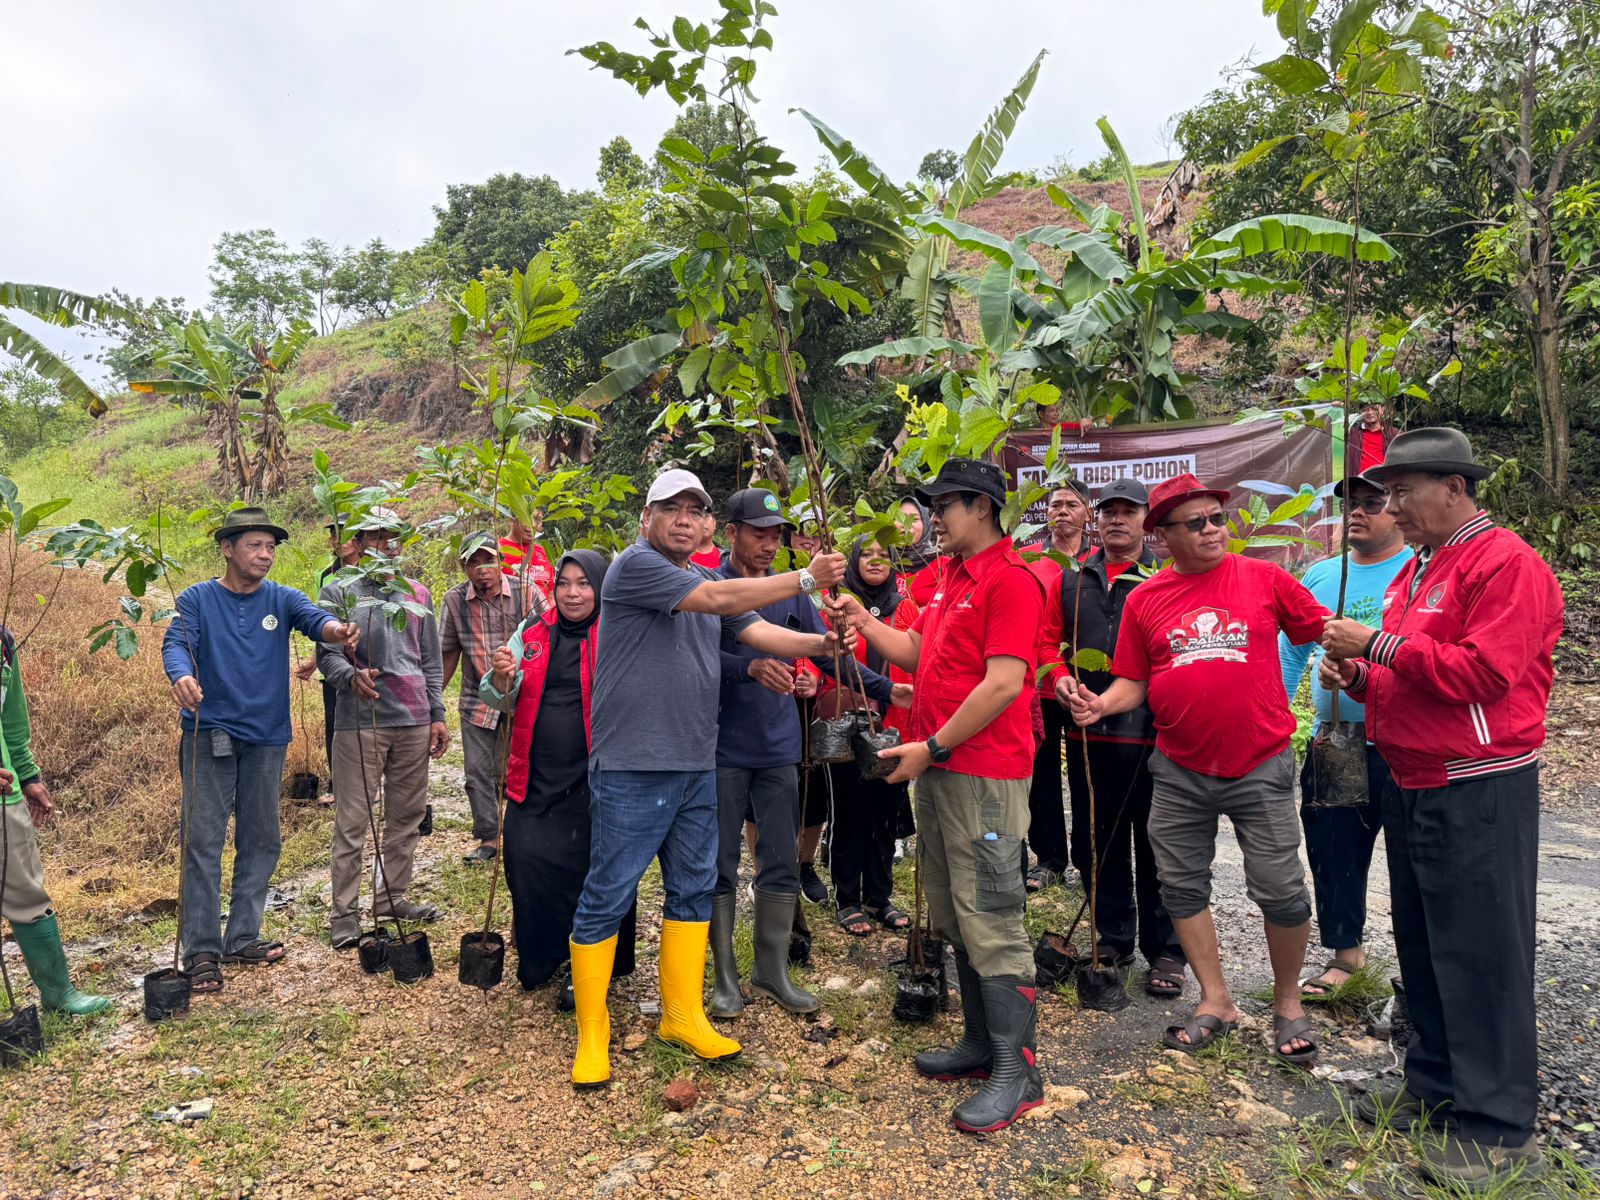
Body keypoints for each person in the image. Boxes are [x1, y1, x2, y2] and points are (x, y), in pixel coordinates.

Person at [1320, 428, 1562, 1188]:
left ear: (1454, 488)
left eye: (1402, 491)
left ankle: (1500, 1127)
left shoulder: (1506, 564)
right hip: (1416, 776)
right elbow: (1414, 674)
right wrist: (1362, 677)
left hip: (1478, 783)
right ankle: (1434, 1085)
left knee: (1482, 952)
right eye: (1387, 493)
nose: (1391, 507)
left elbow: (1485, 674)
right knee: (1426, 942)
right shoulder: (1424, 565)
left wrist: (1376, 647)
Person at [567, 468, 854, 1090]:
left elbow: (757, 631)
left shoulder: (705, 579)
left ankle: (682, 1015)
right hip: (634, 764)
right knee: (609, 891)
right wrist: (806, 578)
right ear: (647, 518)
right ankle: (593, 1031)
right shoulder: (635, 567)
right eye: (671, 508)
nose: (684, 519)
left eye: (695, 510)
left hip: (698, 762)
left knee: (694, 888)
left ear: (705, 525)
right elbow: (723, 602)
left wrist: (823, 646)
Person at [1064, 473, 1328, 1067]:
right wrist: (1101, 704)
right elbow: (1135, 681)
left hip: (1260, 761)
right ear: (1163, 536)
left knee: (1282, 888)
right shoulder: (1146, 599)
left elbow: (1320, 631)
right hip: (1179, 767)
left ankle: (1288, 1003)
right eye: (1197, 522)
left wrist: (1345, 662)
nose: (1212, 529)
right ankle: (1216, 1000)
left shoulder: (1264, 578)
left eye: (1217, 518)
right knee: (1181, 886)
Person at [836, 458, 1046, 1134]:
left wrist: (933, 746)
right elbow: (915, 653)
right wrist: (859, 619)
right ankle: (982, 1046)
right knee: (957, 910)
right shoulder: (953, 578)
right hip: (945, 769)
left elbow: (1004, 683)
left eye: (944, 506)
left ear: (982, 506)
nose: (933, 520)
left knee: (993, 913)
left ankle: (1019, 1072)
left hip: (983, 774)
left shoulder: (1010, 581)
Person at [709, 490, 899, 1017]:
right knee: (718, 862)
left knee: (781, 857)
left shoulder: (794, 595)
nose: (770, 545)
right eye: (758, 534)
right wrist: (746, 668)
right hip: (722, 749)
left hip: (779, 749)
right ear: (731, 533)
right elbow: (695, 658)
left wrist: (887, 690)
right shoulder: (712, 587)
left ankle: (772, 971)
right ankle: (724, 977)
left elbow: (831, 656)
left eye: (776, 536)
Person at [162, 508, 361, 993]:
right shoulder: (197, 598)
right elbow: (176, 644)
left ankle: (242, 936)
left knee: (262, 838)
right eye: (255, 545)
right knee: (202, 841)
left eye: (270, 547)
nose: (265, 554)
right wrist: (181, 675)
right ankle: (201, 950)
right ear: (227, 548)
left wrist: (336, 631)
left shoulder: (282, 598)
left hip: (267, 736)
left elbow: (315, 619)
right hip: (208, 733)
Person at [1047, 479, 1186, 997]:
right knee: (1096, 843)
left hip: (1152, 737)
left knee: (1157, 845)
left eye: (1128, 511)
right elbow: (1047, 642)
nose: (1116, 520)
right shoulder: (1072, 578)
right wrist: (1059, 676)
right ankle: (1112, 937)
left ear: (1146, 520)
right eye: (1108, 511)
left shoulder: (1165, 578)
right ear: (1094, 518)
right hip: (1089, 738)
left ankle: (1166, 949)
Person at [1278, 473, 1411, 1000]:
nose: (1357, 511)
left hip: (1402, 740)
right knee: (1334, 847)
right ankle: (1345, 954)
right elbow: (1291, 651)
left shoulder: (1417, 570)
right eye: (1351, 503)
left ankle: (1417, 964)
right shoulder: (1322, 574)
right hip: (1338, 737)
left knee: (1411, 854)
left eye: (1371, 503)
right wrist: (1278, 715)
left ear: (1397, 509)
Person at [483, 550, 637, 998]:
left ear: (601, 587)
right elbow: (496, 696)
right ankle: (543, 955)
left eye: (584, 584)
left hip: (597, 779)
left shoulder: (618, 632)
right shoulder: (532, 631)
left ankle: (592, 963)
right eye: (564, 583)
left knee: (595, 869)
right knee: (526, 859)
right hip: (536, 774)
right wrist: (502, 677)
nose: (572, 593)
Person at [317, 508, 449, 949]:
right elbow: (326, 655)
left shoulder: (417, 594)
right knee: (353, 821)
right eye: (375, 537)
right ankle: (344, 915)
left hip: (413, 720)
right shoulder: (339, 591)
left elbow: (430, 661)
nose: (387, 545)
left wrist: (437, 714)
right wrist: (350, 676)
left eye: (393, 537)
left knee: (406, 817)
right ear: (358, 543)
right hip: (361, 720)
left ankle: (392, 899)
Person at [1, 625, 110, 1015]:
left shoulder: (3, 642)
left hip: (5, 796)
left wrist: (27, 774)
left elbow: (11, 719)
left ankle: (59, 993)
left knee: (27, 895)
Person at [820, 538, 916, 938]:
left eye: (883, 555)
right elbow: (823, 656)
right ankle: (847, 898)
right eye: (866, 555)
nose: (875, 561)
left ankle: (879, 896)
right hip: (848, 725)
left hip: (896, 725)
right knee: (848, 811)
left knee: (886, 812)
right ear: (853, 561)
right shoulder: (836, 603)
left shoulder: (906, 607)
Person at [440, 532, 547, 866]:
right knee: (476, 771)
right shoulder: (455, 601)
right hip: (478, 700)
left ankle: (522, 832)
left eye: (489, 560)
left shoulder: (526, 591)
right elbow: (448, 651)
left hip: (523, 697)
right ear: (464, 567)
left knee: (517, 767)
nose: (482, 569)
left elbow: (549, 635)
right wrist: (432, 703)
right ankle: (489, 837)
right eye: (473, 562)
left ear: (501, 561)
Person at [1025, 479, 1093, 892]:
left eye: (1071, 504)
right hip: (1039, 683)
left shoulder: (1098, 562)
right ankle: (1049, 857)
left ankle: (1089, 861)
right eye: (1055, 504)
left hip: (1086, 686)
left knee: (1087, 777)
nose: (1062, 511)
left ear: (1088, 513)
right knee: (1042, 773)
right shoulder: (1029, 560)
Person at [294, 521, 362, 805]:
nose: (338, 540)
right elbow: (322, 620)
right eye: (334, 535)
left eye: (345, 535)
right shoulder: (326, 575)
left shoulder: (372, 572)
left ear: (359, 540)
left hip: (365, 659)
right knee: (335, 723)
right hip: (334, 662)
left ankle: (369, 784)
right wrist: (316, 659)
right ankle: (337, 784)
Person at [500, 512, 555, 598]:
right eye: (526, 518)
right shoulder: (498, 549)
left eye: (538, 520)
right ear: (511, 520)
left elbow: (551, 592)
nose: (533, 524)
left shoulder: (542, 551)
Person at [1348, 400, 1400, 475]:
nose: (1370, 412)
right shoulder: (1352, 433)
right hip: (1359, 480)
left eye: (1374, 408)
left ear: (1382, 409)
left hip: (1385, 479)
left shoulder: (1394, 434)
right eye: (1366, 409)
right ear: (1360, 412)